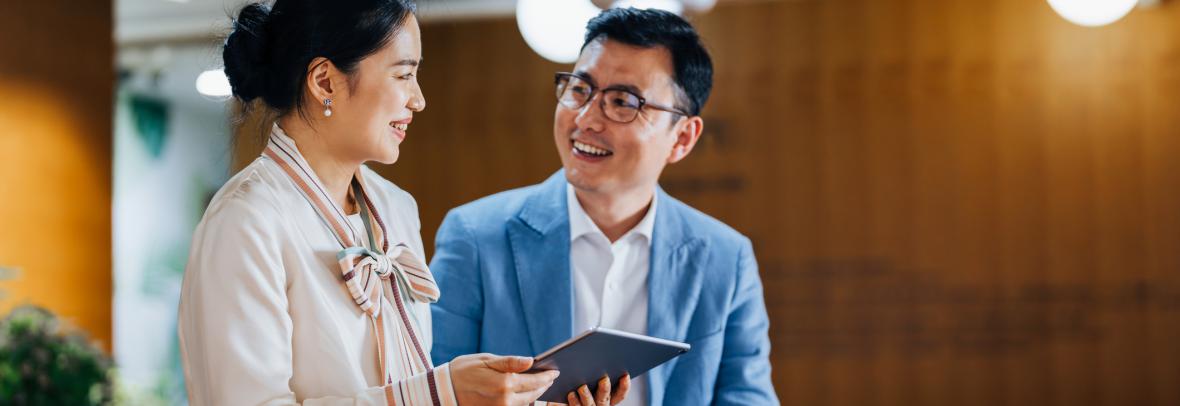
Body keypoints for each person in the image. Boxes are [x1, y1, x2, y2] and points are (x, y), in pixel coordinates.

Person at [177, 1, 588, 404]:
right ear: (325, 81)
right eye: (404, 75)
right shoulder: (246, 219)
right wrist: (437, 393)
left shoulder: (395, 208)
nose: (418, 99)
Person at [430, 7, 779, 406]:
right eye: (580, 88)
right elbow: (433, 390)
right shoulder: (475, 237)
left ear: (682, 138)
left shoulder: (725, 257)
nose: (587, 118)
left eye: (623, 101)